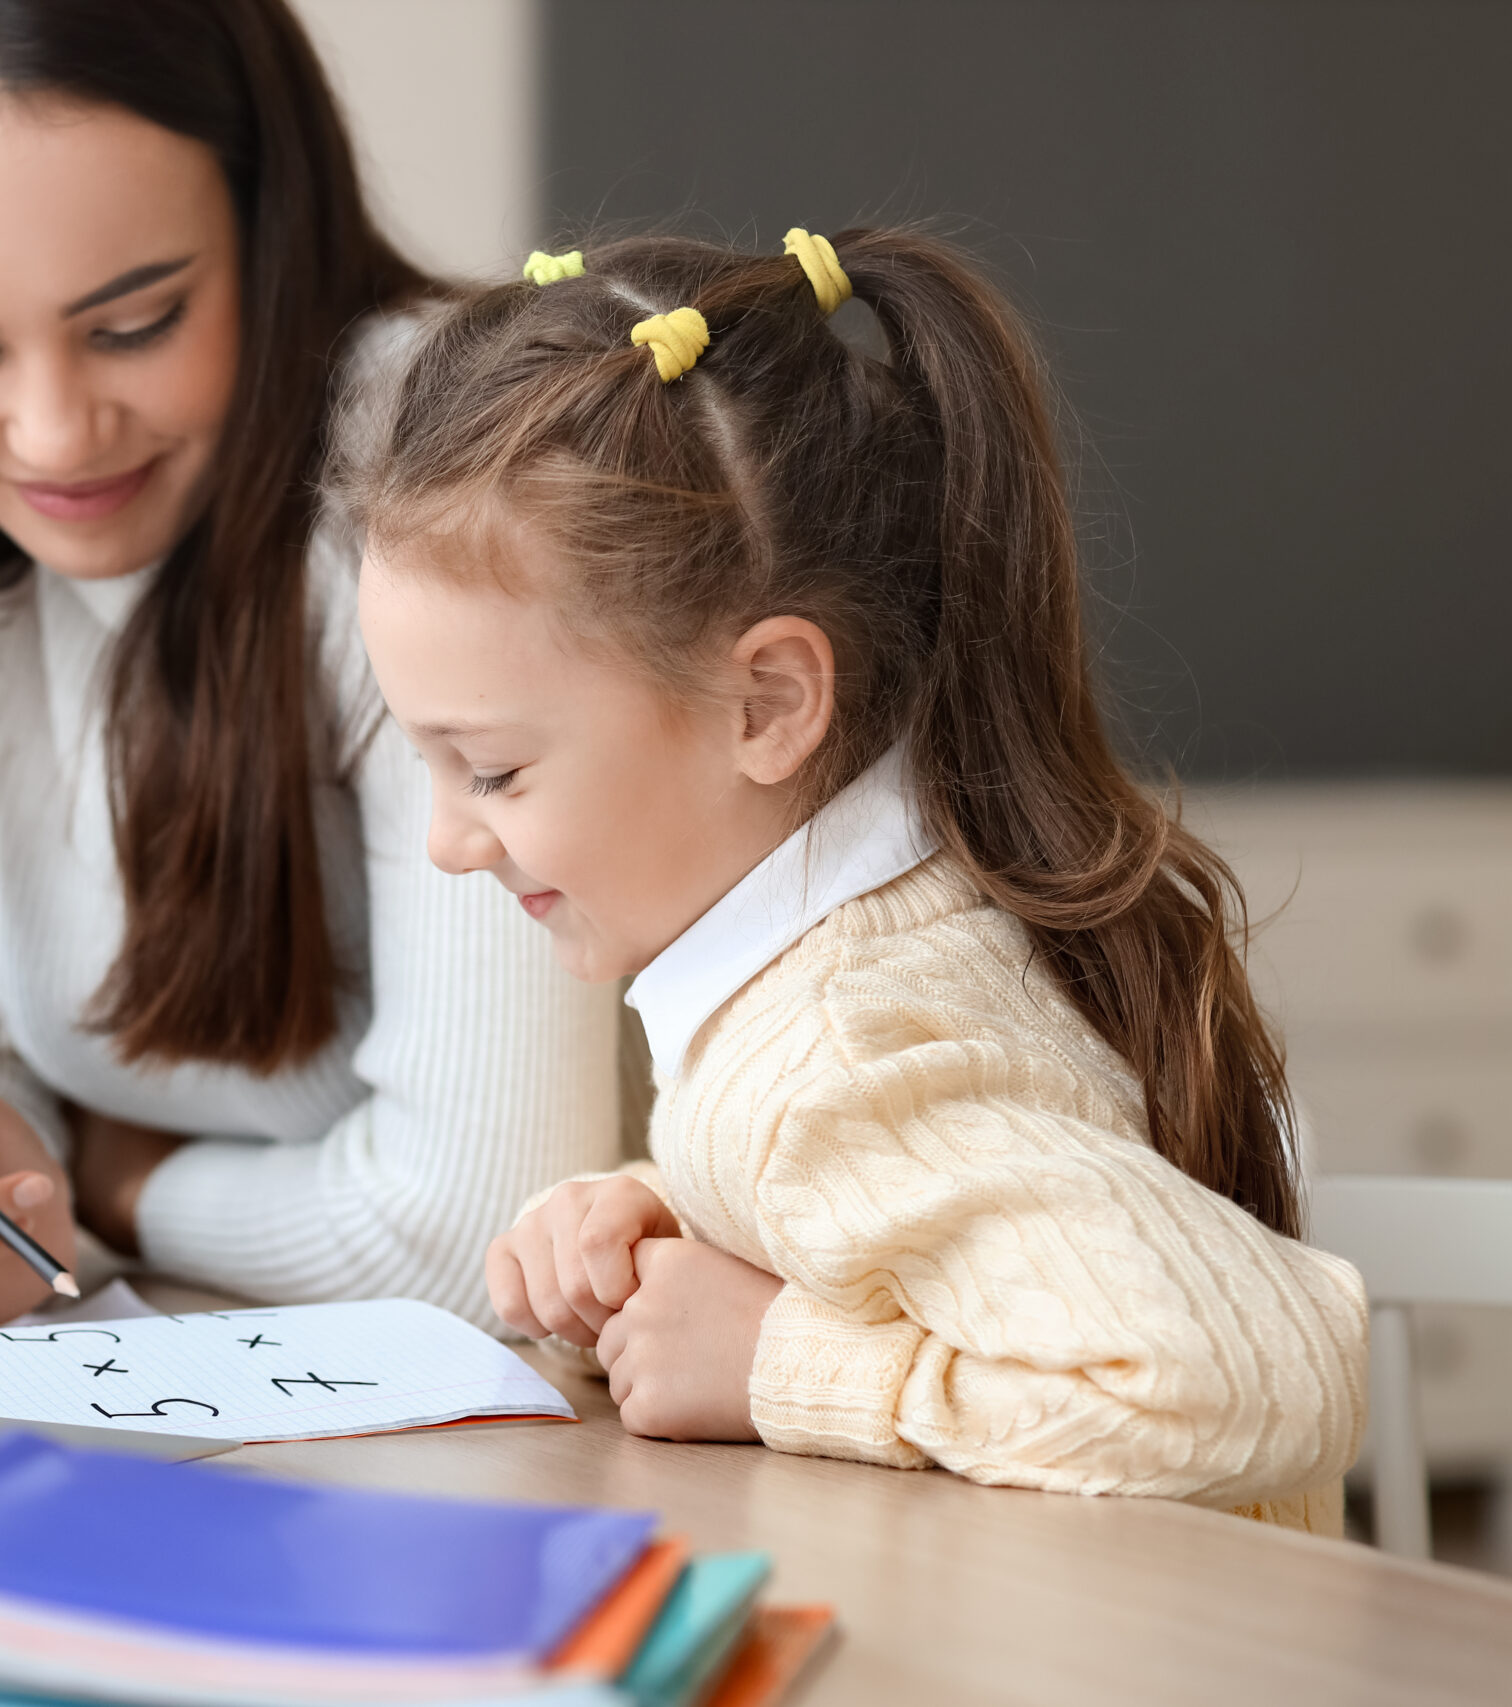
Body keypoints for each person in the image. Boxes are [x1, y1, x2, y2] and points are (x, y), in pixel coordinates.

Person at [345, 225, 1367, 1531]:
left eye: (489, 771)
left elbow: (1261, 1375)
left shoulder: (841, 1060)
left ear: (765, 702)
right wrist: (677, 1216)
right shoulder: (888, 939)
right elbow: (937, 1224)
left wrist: (778, 1361)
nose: (451, 840)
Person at [0, 0, 620, 1334]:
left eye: (134, 324)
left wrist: (109, 1180)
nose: (52, 437)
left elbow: (482, 1237)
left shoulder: (449, 497)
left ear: (267, 229)